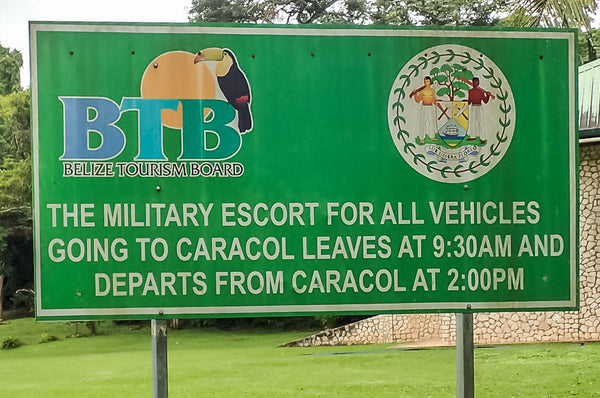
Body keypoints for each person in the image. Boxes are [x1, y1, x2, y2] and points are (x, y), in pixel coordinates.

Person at [410, 76, 438, 144]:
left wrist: (438, 102)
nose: (427, 83)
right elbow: (418, 100)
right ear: (424, 82)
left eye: (428, 81)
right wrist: (415, 94)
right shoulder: (422, 91)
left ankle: (432, 136)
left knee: (432, 121)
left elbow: (434, 101)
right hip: (424, 107)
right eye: (425, 81)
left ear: (430, 82)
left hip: (431, 107)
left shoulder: (432, 91)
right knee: (423, 122)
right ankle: (421, 138)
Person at [465, 77, 491, 144]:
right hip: (473, 107)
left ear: (478, 83)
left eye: (477, 82)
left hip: (479, 107)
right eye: (474, 82)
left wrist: (488, 96)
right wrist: (464, 102)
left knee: (481, 122)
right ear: (472, 82)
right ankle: (472, 136)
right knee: (472, 122)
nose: (475, 83)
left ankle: (482, 138)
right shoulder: (470, 91)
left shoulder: (481, 91)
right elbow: (469, 102)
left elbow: (485, 101)